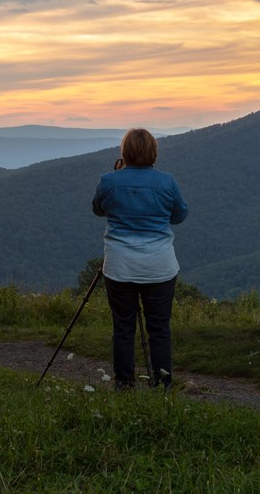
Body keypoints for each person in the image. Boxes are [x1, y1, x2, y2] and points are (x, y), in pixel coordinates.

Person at [91, 128, 188, 391]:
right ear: (154, 152)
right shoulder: (167, 182)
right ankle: (163, 385)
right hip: (160, 266)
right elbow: (179, 216)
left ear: (125, 153)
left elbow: (98, 209)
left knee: (123, 327)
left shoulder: (109, 180)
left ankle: (124, 384)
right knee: (159, 328)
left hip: (120, 265)